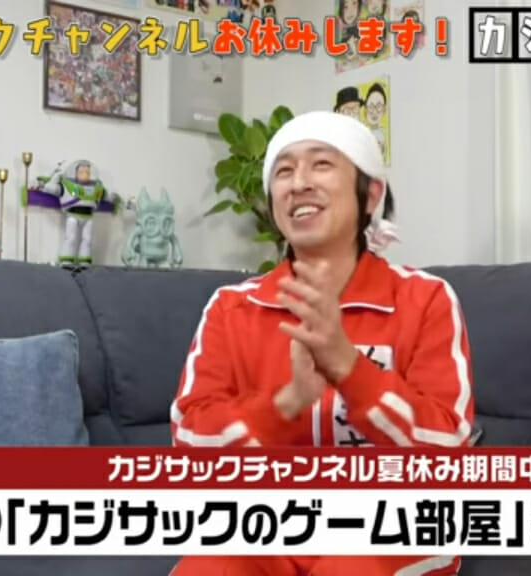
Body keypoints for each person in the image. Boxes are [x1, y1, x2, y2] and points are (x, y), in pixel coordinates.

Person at [169, 111, 475, 576]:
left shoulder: (424, 299)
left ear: (371, 194)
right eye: (284, 171)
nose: (299, 183)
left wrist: (350, 368)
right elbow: (190, 444)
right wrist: (285, 405)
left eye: (322, 164)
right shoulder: (232, 308)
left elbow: (448, 451)